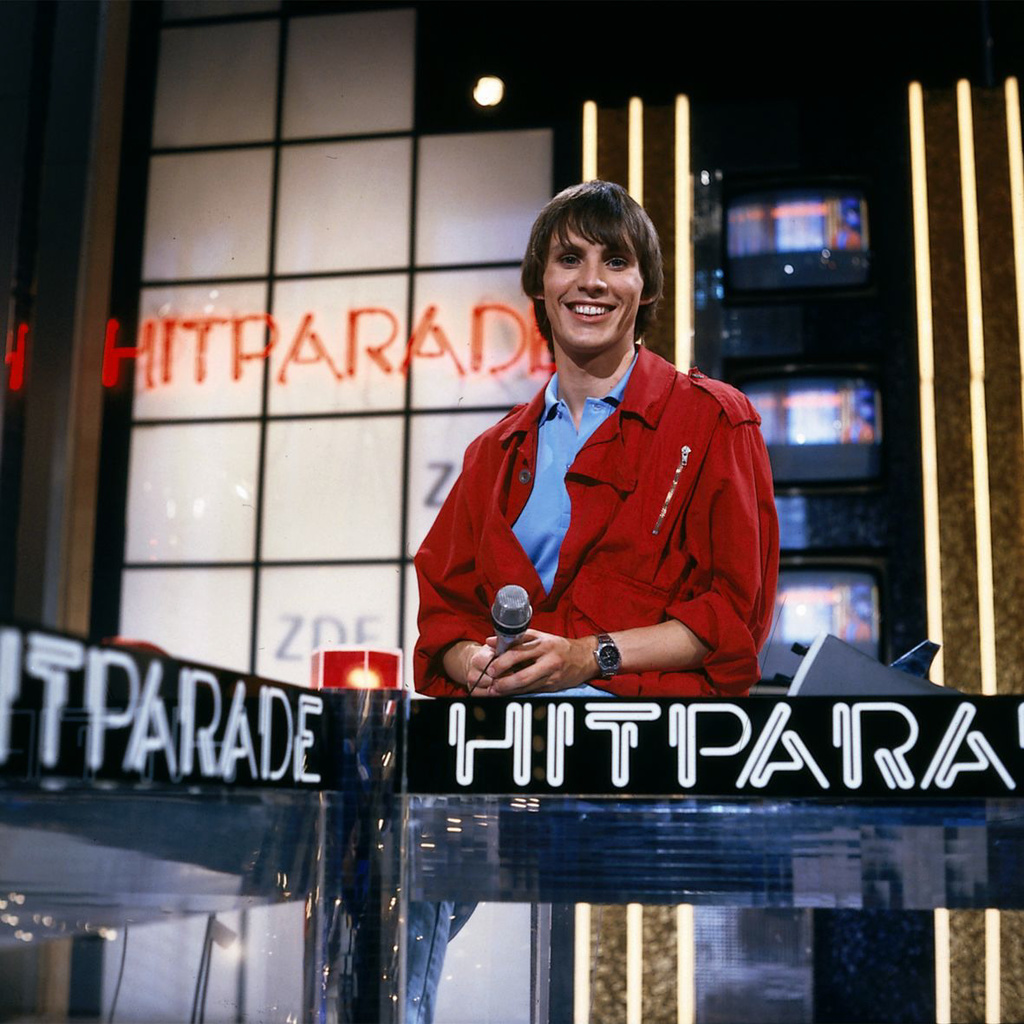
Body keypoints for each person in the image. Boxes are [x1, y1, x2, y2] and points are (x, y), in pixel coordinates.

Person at [413, 179, 779, 701]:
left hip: (647, 740)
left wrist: (588, 655)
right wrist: (473, 662)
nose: (591, 282)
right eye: (569, 259)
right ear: (538, 283)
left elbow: (734, 615)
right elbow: (446, 618)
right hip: (512, 738)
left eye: (615, 262)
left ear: (646, 287)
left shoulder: (714, 420)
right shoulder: (492, 454)